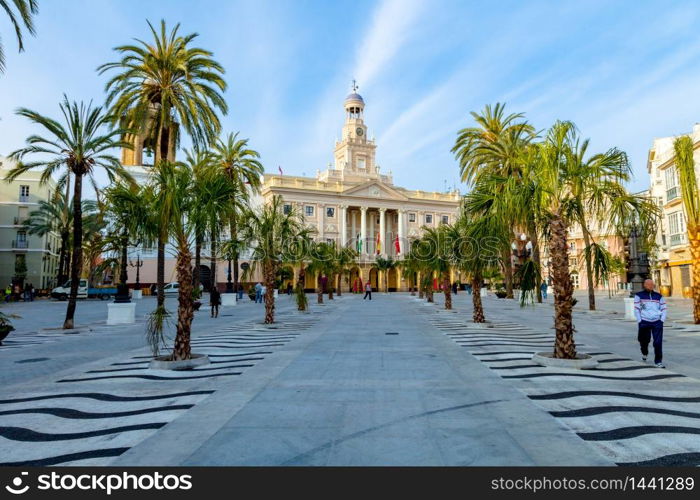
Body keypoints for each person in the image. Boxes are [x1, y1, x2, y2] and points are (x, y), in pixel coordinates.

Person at [634, 278, 667, 368]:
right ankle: (644, 353)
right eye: (648, 284)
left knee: (658, 342)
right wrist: (639, 320)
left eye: (652, 284)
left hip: (657, 322)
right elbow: (637, 309)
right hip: (644, 321)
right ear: (644, 285)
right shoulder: (639, 295)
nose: (650, 286)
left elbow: (664, 308)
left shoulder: (659, 296)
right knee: (643, 340)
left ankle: (658, 361)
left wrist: (662, 320)